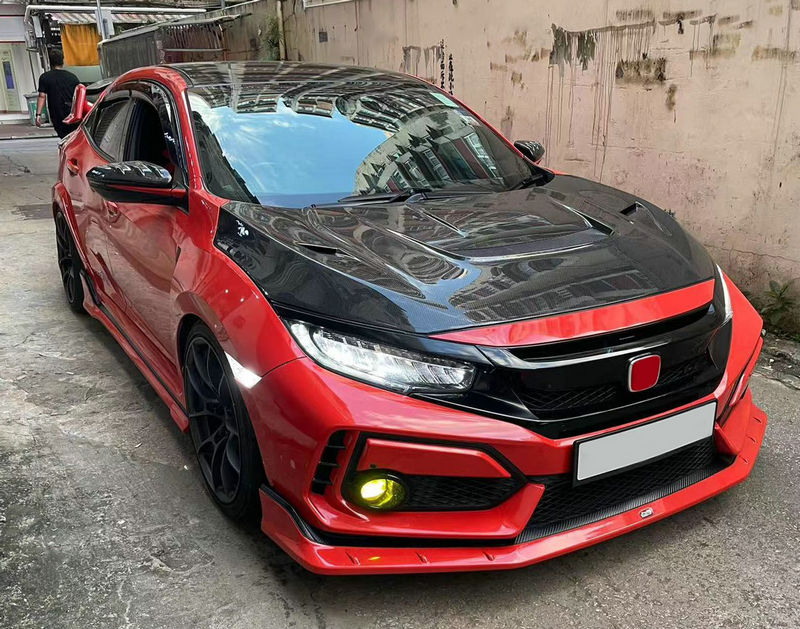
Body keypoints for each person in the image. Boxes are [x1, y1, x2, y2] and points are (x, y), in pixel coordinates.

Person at [35, 49, 80, 139]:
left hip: (56, 113)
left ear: (50, 62)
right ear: (62, 61)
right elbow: (78, 96)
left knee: (63, 136)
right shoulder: (72, 77)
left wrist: (38, 115)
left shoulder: (45, 77)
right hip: (71, 112)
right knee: (73, 136)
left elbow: (42, 96)